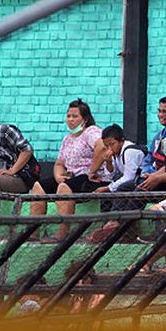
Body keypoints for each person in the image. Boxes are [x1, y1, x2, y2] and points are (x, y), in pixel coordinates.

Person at [29, 99, 111, 241]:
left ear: (84, 119)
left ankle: (62, 234)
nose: (70, 120)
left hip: (90, 178)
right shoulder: (68, 139)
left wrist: (92, 171)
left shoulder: (91, 132)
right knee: (39, 186)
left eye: (75, 116)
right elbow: (60, 163)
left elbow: (102, 147)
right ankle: (32, 232)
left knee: (64, 187)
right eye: (68, 116)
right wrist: (58, 176)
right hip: (70, 177)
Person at [93, 124, 147, 194]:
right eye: (106, 146)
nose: (109, 148)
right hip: (130, 182)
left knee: (120, 188)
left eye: (112, 144)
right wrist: (108, 162)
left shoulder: (130, 151)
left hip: (141, 180)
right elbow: (110, 176)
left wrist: (108, 188)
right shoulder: (115, 153)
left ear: (122, 141)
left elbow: (129, 177)